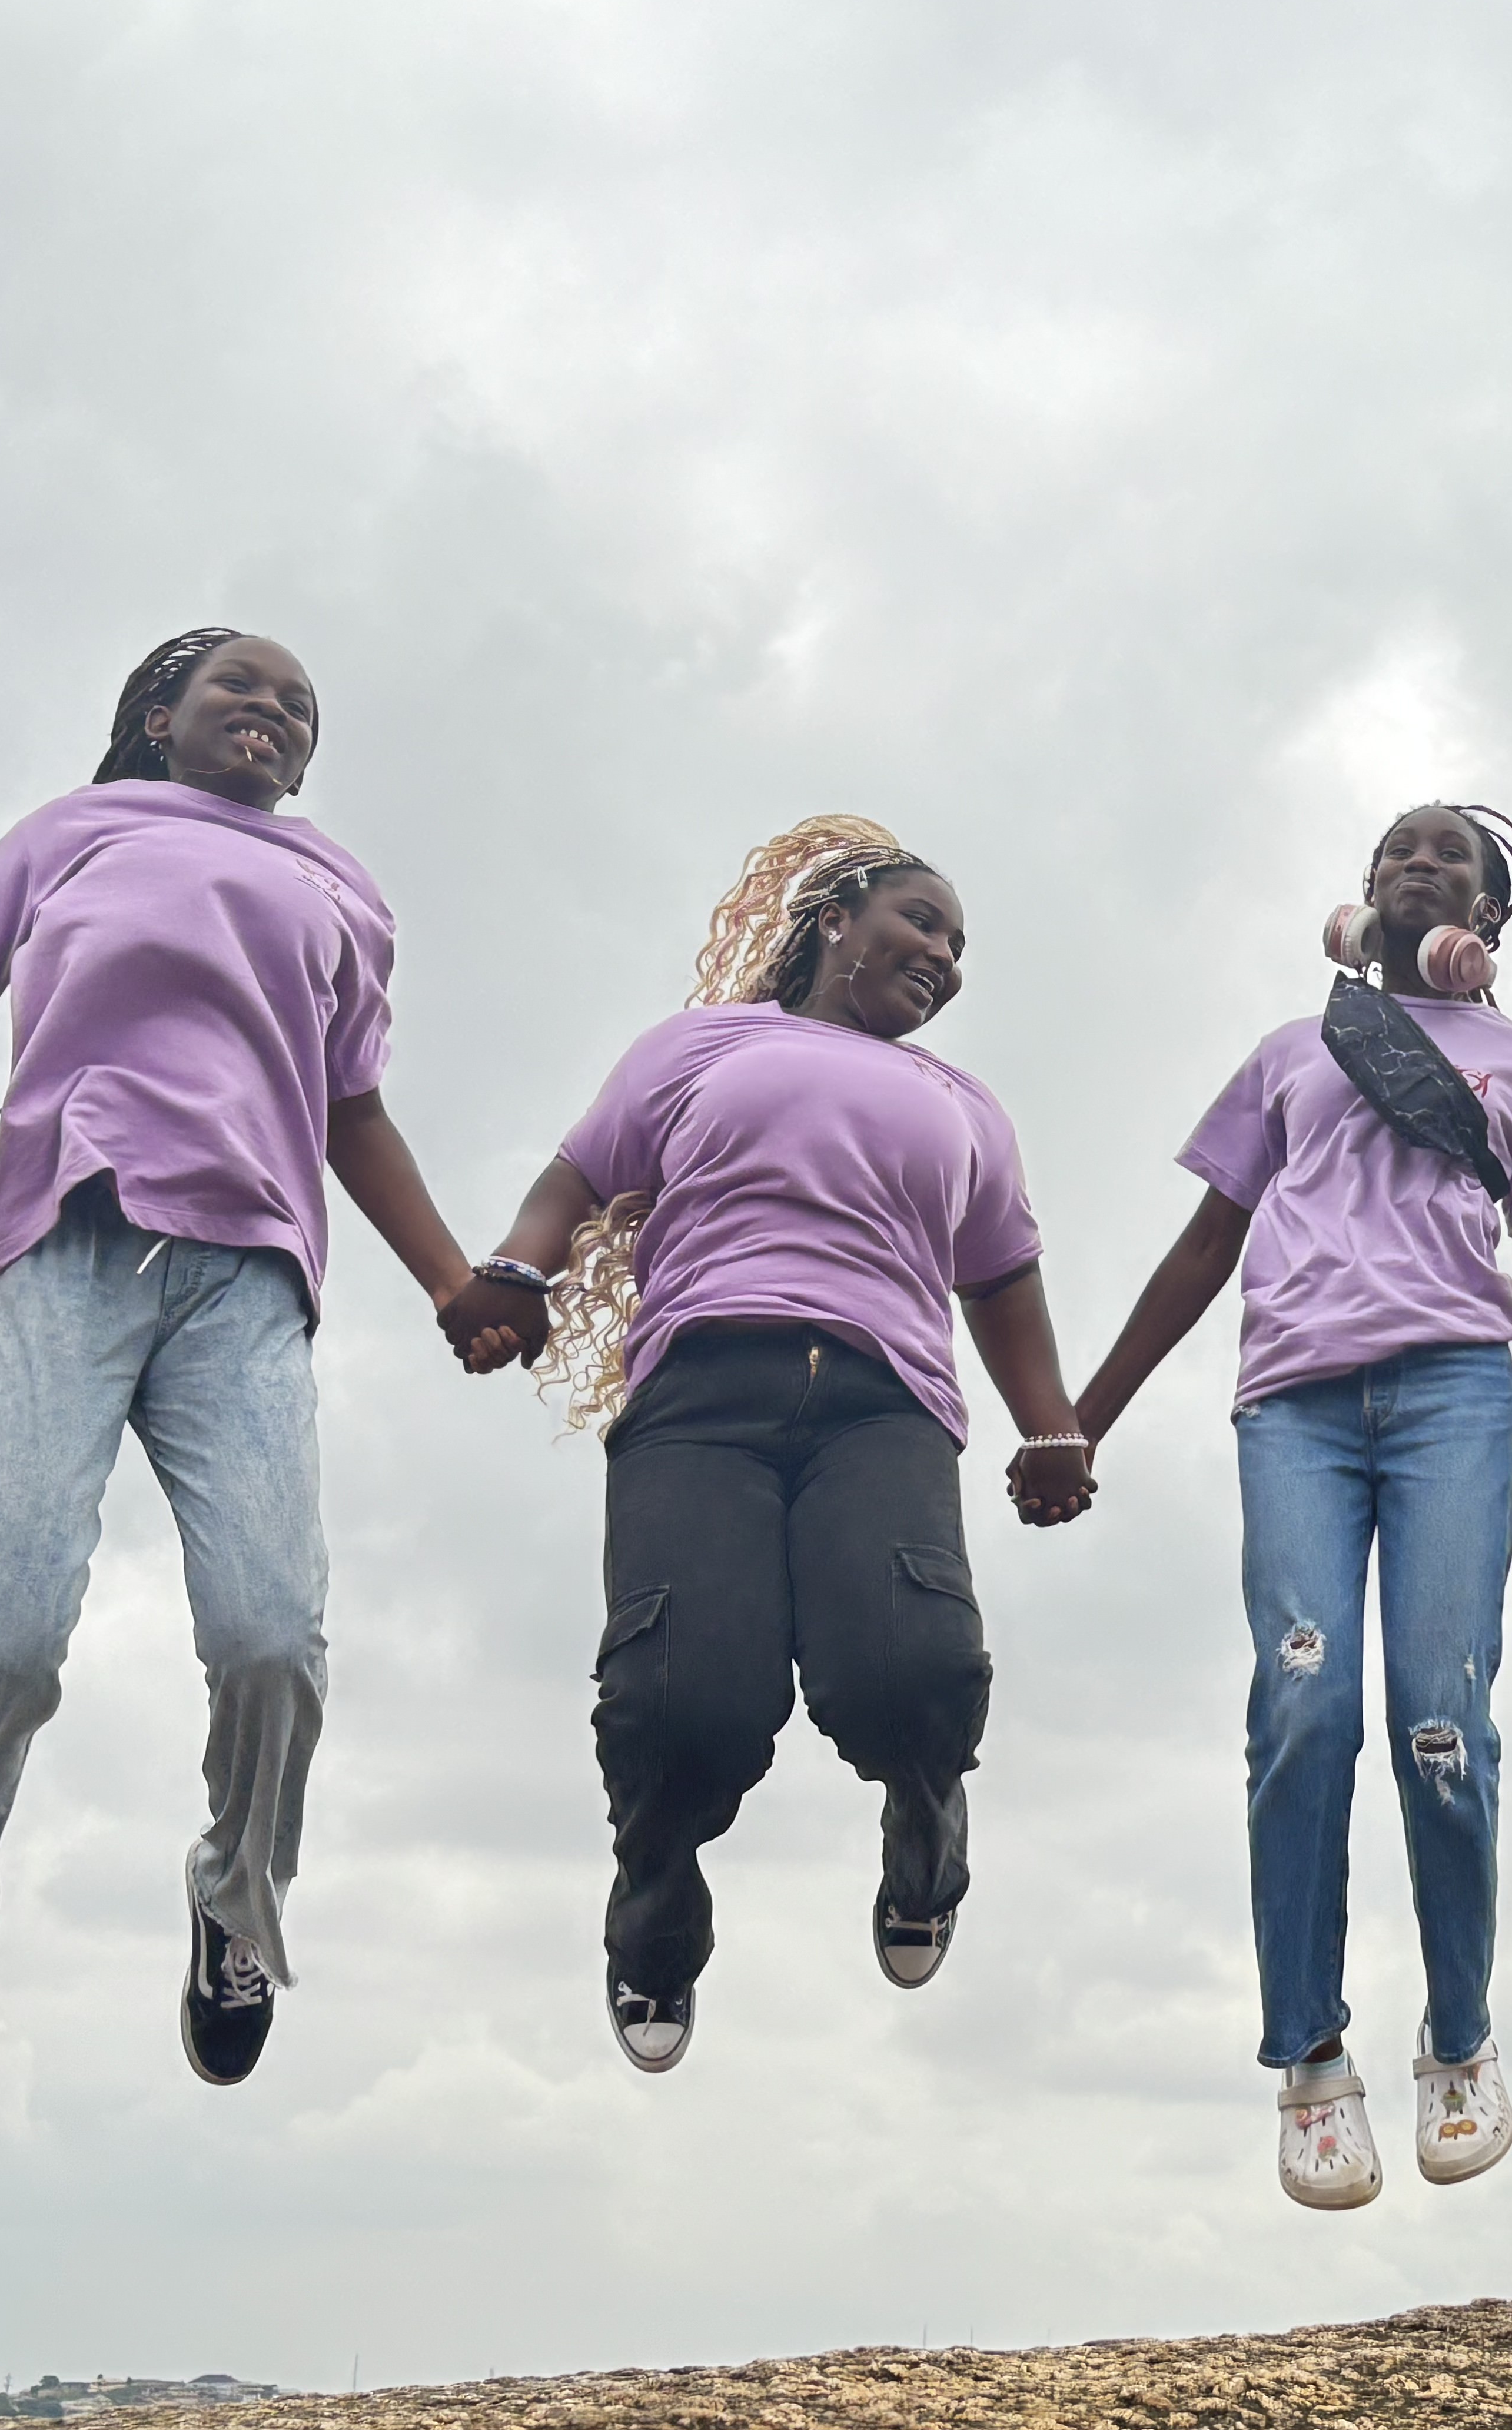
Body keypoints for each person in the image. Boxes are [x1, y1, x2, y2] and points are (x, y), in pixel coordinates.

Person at [0, 628, 481, 2123]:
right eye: (239, 691)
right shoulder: (73, 832)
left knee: (269, 1635)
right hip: (63, 1246)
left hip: (245, 1284)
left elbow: (356, 1115)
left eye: (301, 708)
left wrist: (453, 1282)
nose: (274, 713)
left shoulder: (340, 889)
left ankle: (238, 1909)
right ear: (156, 716)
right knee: (0, 1637)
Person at [443, 817, 1093, 2077]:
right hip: (700, 1400)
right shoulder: (699, 1047)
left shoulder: (967, 1105)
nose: (945, 955)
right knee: (683, 1702)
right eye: (921, 921)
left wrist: (1052, 1426)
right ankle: (655, 1917)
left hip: (884, 1405)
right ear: (833, 920)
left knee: (911, 1669)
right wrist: (518, 1272)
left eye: (959, 945)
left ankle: (925, 1826)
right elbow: (576, 1177)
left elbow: (1002, 1279)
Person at [1070, 804, 1512, 2211]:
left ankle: (1460, 2036)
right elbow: (1208, 1243)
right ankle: (1310, 2055)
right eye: (1399, 846)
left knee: (1441, 1723)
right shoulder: (1290, 1052)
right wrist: (1081, 1417)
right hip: (1298, 1407)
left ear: (1486, 921)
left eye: (1453, 854)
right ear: (1363, 892)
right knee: (1303, 1709)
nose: (1419, 860)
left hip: (1455, 1392)